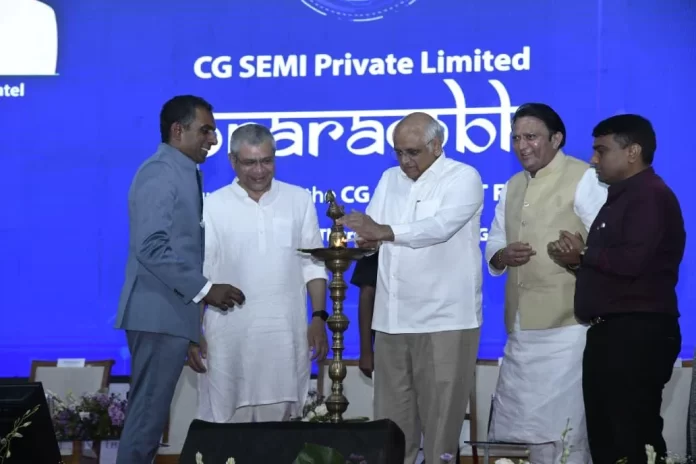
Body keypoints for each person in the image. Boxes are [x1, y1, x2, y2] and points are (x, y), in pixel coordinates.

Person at [338, 112, 484, 464]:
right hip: (391, 320)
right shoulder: (389, 179)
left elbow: (439, 228)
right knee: (390, 431)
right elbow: (374, 235)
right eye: (399, 152)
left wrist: (383, 232)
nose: (405, 161)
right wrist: (365, 242)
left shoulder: (463, 177)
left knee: (440, 434)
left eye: (413, 152)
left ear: (437, 145)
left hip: (444, 321)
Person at [115, 96, 245, 464]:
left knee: (150, 421)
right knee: (146, 420)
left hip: (170, 315)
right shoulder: (160, 172)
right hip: (156, 314)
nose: (213, 139)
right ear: (178, 130)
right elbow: (150, 247)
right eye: (205, 130)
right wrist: (206, 290)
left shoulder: (182, 171)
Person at [549, 114, 685, 464]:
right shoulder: (622, 197)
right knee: (607, 441)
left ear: (632, 152)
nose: (593, 159)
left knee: (633, 439)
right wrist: (577, 261)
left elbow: (633, 261)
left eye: (602, 150)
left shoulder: (650, 196)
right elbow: (616, 267)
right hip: (612, 333)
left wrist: (583, 254)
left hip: (636, 334)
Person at [485, 103, 607, 464]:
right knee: (515, 427)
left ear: (556, 139)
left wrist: (579, 255)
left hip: (568, 328)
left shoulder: (584, 178)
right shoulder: (513, 185)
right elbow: (495, 239)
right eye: (516, 138)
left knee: (561, 430)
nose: (522, 146)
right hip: (521, 329)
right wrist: (501, 255)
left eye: (531, 137)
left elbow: (608, 242)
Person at [188, 123, 329, 423]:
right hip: (228, 342)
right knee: (224, 434)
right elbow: (202, 275)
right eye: (250, 163)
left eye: (266, 161)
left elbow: (313, 265)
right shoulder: (212, 206)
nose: (259, 171)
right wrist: (193, 332)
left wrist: (318, 318)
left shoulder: (299, 200)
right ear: (232, 161)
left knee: (281, 436)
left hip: (285, 340)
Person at [349, 251, 379, 378]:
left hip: (433, 328)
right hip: (387, 338)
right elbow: (367, 292)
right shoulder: (381, 242)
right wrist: (366, 351)